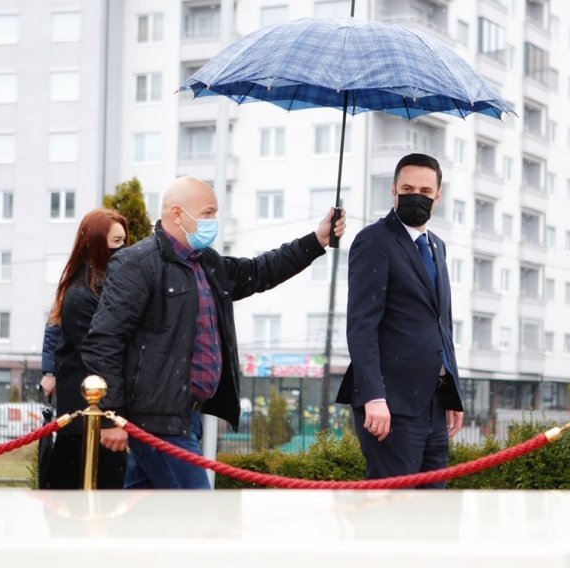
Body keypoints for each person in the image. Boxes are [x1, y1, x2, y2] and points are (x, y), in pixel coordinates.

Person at [82, 176, 346, 489]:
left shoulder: (206, 263)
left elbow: (259, 271)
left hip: (186, 417)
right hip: (155, 421)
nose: (214, 222)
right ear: (178, 214)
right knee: (198, 513)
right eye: (208, 213)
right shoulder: (137, 263)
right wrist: (112, 416)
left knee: (144, 515)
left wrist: (316, 241)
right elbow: (104, 340)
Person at [336, 153, 463, 488]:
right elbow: (362, 327)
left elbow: (442, 325)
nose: (415, 195)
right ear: (393, 190)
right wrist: (375, 398)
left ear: (438, 196)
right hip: (390, 406)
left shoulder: (437, 246)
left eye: (425, 189)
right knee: (392, 511)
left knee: (435, 513)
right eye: (407, 187)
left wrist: (454, 394)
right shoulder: (374, 240)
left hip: (434, 404)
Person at [41, 209, 130, 489]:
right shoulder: (83, 294)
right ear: (94, 242)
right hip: (87, 422)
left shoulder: (105, 287)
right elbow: (101, 355)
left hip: (96, 418)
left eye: (125, 240)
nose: (123, 248)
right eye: (116, 241)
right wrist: (111, 418)